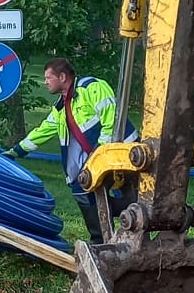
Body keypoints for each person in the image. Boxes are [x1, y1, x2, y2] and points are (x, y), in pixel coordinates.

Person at [8, 57, 131, 241]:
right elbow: (42, 131)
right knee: (82, 190)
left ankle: (125, 221)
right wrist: (17, 151)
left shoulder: (92, 87)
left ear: (62, 77)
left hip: (122, 154)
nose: (46, 82)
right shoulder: (60, 108)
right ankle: (101, 238)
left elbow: (112, 121)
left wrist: (100, 154)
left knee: (129, 194)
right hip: (97, 159)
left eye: (49, 78)